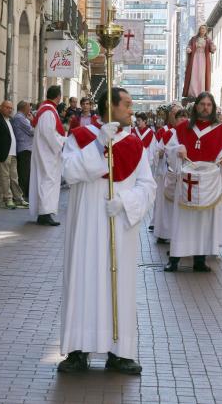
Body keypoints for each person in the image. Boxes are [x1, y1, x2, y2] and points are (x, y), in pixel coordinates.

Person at [57, 87, 155, 375]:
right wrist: (99, 144)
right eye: (126, 104)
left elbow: (148, 186)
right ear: (108, 107)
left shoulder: (136, 144)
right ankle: (78, 350)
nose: (130, 109)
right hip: (86, 226)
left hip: (119, 228)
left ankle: (119, 352)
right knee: (83, 280)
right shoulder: (82, 137)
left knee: (119, 286)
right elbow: (70, 172)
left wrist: (125, 202)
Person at [164, 92, 222, 272]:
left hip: (209, 180)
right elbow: (170, 148)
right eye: (202, 104)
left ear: (213, 107)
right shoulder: (182, 128)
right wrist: (178, 150)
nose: (205, 107)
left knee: (204, 221)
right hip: (187, 178)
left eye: (209, 104)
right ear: (196, 107)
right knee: (182, 220)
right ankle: (175, 258)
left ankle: (200, 259)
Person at [30, 86, 66, 226]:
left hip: (46, 151)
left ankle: (45, 212)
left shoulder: (46, 109)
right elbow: (49, 133)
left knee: (46, 180)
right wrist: (61, 144)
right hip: (47, 152)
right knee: (47, 181)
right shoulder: (48, 112)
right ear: (58, 96)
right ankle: (45, 213)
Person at [0, 100, 28, 210]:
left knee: (14, 177)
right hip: (3, 154)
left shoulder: (10, 120)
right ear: (1, 107)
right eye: (7, 107)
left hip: (13, 154)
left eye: (11, 108)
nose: (9, 110)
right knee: (5, 177)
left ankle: (19, 199)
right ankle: (8, 199)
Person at [150, 105, 180, 245]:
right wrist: (160, 154)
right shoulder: (165, 132)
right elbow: (156, 151)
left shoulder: (186, 132)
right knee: (164, 204)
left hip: (180, 176)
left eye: (178, 114)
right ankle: (163, 232)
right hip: (166, 173)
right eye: (173, 113)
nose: (176, 116)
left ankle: (177, 233)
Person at [182, 25, 216, 98]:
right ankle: (193, 93)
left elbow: (212, 47)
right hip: (195, 59)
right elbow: (189, 45)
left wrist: (213, 48)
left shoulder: (208, 40)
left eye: (204, 29)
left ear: (206, 31)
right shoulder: (194, 39)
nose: (202, 30)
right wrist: (189, 49)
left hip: (204, 60)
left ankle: (201, 93)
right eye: (201, 29)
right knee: (194, 74)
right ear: (199, 30)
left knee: (201, 75)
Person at [12, 101, 34, 199]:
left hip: (26, 148)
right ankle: (23, 195)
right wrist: (32, 121)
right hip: (24, 148)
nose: (30, 110)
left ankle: (25, 194)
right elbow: (32, 131)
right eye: (29, 107)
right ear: (24, 108)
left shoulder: (22, 118)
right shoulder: (19, 118)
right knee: (24, 173)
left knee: (27, 172)